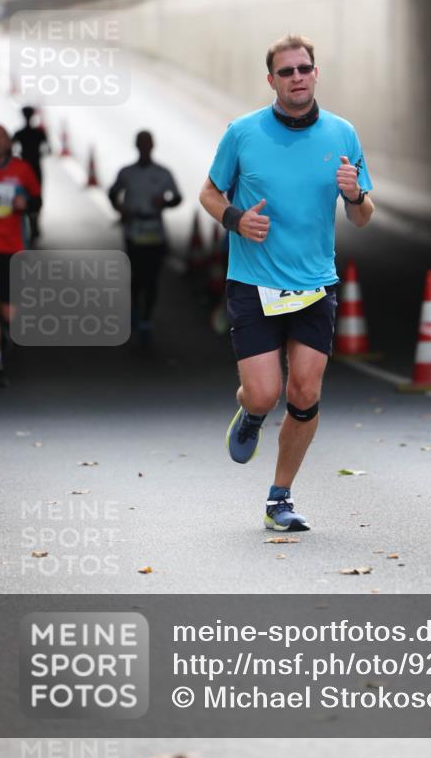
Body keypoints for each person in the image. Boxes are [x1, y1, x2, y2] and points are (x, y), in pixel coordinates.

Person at [199, 34, 375, 532]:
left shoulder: (342, 134)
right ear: (271, 80)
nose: (297, 77)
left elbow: (362, 216)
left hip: (315, 285)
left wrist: (355, 195)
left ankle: (280, 498)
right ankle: (251, 413)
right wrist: (235, 219)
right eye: (286, 71)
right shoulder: (243, 132)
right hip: (253, 283)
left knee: (304, 391)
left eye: (304, 69)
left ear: (315, 73)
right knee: (263, 394)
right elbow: (209, 192)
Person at [0, 124, 41, 386]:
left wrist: (25, 204)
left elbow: (38, 200)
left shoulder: (21, 170)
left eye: (1, 137)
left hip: (12, 249)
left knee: (7, 312)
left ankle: (4, 335)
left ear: (8, 143)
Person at [108, 131, 182, 343]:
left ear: (152, 146)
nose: (144, 148)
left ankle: (146, 317)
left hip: (155, 231)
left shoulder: (163, 173)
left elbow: (177, 197)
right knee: (136, 275)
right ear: (136, 146)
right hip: (134, 230)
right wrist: (119, 208)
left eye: (147, 144)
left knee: (152, 277)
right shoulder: (127, 173)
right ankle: (135, 309)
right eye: (141, 144)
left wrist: (164, 202)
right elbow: (112, 192)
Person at [12, 106, 49, 241]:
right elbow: (48, 149)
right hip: (35, 167)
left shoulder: (20, 133)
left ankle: (30, 224)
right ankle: (34, 224)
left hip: (24, 167)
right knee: (36, 195)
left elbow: (10, 149)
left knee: (25, 194)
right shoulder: (39, 133)